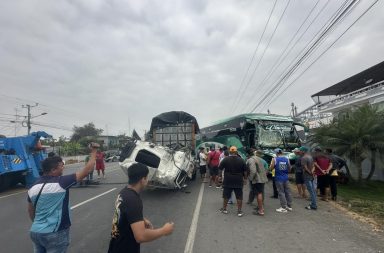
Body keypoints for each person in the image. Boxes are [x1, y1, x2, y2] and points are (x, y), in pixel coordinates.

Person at [27, 143, 99, 253]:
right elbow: (88, 169)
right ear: (53, 169)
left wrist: (39, 224)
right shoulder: (61, 182)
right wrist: (94, 151)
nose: (63, 167)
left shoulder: (33, 186)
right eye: (61, 165)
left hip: (36, 232)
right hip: (55, 233)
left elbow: (31, 210)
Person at [108, 163, 174, 253]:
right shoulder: (133, 200)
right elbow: (141, 236)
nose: (148, 180)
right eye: (147, 177)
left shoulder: (124, 192)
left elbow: (124, 211)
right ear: (143, 179)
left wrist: (141, 219)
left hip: (116, 245)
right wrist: (164, 230)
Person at [219, 146, 247, 217]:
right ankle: (239, 211)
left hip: (228, 180)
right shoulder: (241, 160)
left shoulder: (225, 159)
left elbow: (220, 169)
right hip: (238, 180)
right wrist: (245, 179)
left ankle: (224, 209)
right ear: (236, 152)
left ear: (230, 152)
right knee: (239, 196)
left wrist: (220, 177)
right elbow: (245, 171)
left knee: (226, 195)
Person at [270, 148, 293, 213]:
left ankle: (283, 207)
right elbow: (289, 168)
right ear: (281, 153)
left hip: (278, 178)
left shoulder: (274, 159)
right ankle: (289, 206)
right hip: (286, 178)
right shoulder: (287, 159)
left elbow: (271, 168)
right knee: (287, 192)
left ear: (276, 153)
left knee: (281, 192)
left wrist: (273, 169)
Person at [247, 149, 268, 216]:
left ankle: (261, 210)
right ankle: (260, 207)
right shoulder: (259, 159)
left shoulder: (251, 159)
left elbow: (253, 171)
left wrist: (250, 178)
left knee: (258, 193)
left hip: (257, 180)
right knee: (261, 193)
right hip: (262, 179)